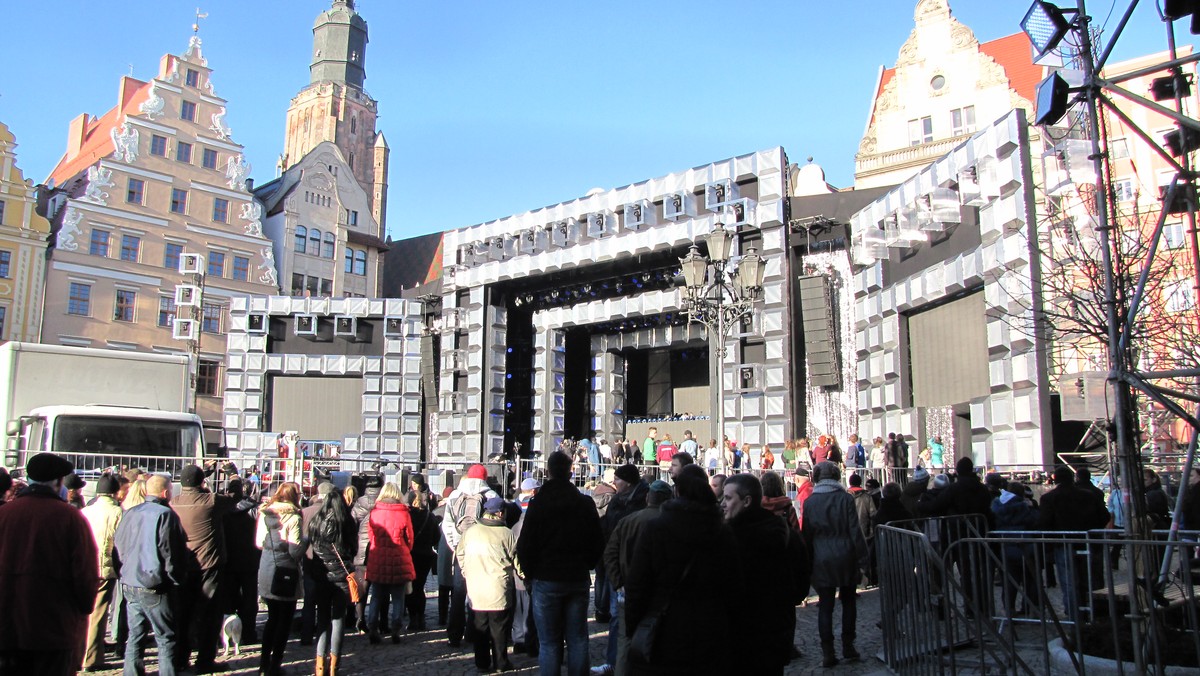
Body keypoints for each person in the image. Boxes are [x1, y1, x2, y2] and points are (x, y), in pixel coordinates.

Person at [625, 464, 742, 673]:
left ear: (676, 492)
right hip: (710, 628)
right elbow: (734, 585)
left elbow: (638, 583)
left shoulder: (656, 529)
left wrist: (635, 626)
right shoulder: (722, 533)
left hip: (664, 628)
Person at [0, 453, 98, 676]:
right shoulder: (70, 518)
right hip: (53, 629)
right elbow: (85, 574)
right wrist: (82, 609)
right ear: (58, 482)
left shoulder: (4, 514)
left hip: (6, 627)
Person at [517, 451, 604, 676]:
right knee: (577, 638)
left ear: (548, 472)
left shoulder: (538, 504)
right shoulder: (584, 503)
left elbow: (525, 544)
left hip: (546, 578)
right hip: (576, 576)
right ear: (570, 471)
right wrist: (587, 564)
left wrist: (529, 575)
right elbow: (597, 540)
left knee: (549, 642)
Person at [113, 473, 189, 676]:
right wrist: (175, 578)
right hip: (154, 583)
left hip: (130, 581)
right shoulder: (166, 514)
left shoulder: (130, 512)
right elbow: (171, 552)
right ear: (165, 493)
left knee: (135, 636)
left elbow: (118, 545)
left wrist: (125, 570)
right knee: (165, 638)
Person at [171, 464, 238, 673]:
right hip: (210, 564)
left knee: (184, 613)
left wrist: (203, 477)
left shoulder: (174, 503)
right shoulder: (210, 501)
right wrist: (233, 474)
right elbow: (236, 496)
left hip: (184, 564)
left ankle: (181, 657)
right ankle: (205, 659)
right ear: (201, 483)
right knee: (210, 613)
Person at [722, 474, 792, 675]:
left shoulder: (729, 538)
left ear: (746, 501)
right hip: (770, 629)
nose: (723, 505)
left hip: (749, 630)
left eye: (728, 499)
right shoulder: (780, 529)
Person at [802, 462, 868, 668]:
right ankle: (848, 645)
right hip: (846, 553)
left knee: (825, 605)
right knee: (849, 602)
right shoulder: (845, 498)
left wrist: (808, 561)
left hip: (822, 556)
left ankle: (827, 652)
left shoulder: (811, 502)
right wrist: (863, 557)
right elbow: (854, 530)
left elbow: (807, 534)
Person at [602, 480, 671, 675]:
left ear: (648, 497)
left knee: (625, 640)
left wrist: (618, 583)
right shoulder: (670, 523)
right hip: (659, 593)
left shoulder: (629, 521)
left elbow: (610, 553)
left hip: (629, 589)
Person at [1036, 465, 1109, 621]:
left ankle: (1075, 614)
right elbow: (1104, 516)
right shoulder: (1089, 495)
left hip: (1063, 544)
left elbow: (1044, 523)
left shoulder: (1049, 498)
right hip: (1088, 542)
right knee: (1091, 579)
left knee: (1069, 582)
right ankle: (1096, 611)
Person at [458, 496, 519, 673]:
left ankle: (482, 663)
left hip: (476, 587)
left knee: (480, 626)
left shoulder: (470, 532)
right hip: (498, 587)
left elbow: (460, 553)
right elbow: (517, 560)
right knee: (499, 628)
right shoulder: (507, 534)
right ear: (500, 513)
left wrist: (466, 571)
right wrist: (524, 576)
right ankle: (501, 663)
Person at [441, 465, 500, 647]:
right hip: (483, 552)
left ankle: (454, 634)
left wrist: (457, 546)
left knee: (458, 593)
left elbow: (448, 525)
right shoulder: (492, 496)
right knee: (479, 593)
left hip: (462, 551)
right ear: (485, 477)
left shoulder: (454, 495)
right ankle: (473, 632)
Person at [306, 487, 358, 676]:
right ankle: (334, 665)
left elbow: (312, 549)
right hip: (341, 577)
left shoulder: (316, 522)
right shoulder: (346, 523)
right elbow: (353, 550)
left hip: (321, 577)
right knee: (338, 621)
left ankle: (320, 666)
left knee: (323, 621)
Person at [256, 482, 303, 676]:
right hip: (286, 572)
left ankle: (263, 662)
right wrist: (305, 543)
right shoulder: (293, 517)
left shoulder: (265, 514)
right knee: (284, 620)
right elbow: (295, 549)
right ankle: (275, 664)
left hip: (267, 568)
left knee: (272, 619)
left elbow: (259, 542)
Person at [81, 474, 123, 672]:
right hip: (105, 567)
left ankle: (80, 652)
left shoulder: (85, 511)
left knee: (83, 613)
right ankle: (91, 658)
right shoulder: (116, 512)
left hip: (84, 566)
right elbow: (121, 541)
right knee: (98, 613)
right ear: (115, 492)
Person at [365, 482, 416, 645]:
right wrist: (403, 549)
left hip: (378, 557)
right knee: (398, 597)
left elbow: (371, 536)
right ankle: (396, 629)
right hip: (399, 558)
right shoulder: (404, 513)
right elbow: (410, 539)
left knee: (377, 596)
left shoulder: (374, 513)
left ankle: (372, 626)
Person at [992, 481, 1040, 618]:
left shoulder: (997, 505)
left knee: (1009, 582)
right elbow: (1034, 521)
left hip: (1006, 545)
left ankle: (1009, 611)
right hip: (1025, 545)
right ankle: (1033, 609)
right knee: (1030, 580)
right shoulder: (1024, 507)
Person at [222, 478, 261, 646]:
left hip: (228, 559)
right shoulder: (255, 510)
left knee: (228, 600)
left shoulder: (222, 510)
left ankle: (226, 635)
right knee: (249, 601)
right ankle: (249, 633)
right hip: (250, 560)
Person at [350, 475, 384, 634]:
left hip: (361, 551)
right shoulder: (385, 502)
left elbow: (352, 525)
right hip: (380, 551)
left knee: (362, 588)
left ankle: (360, 619)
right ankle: (380, 621)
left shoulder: (359, 503)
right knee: (381, 588)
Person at [406, 488, 441, 632]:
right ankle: (421, 618)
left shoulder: (407, 516)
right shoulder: (430, 516)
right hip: (426, 556)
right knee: (420, 587)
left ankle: (413, 618)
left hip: (410, 554)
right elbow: (436, 538)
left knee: (410, 588)